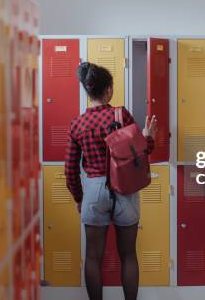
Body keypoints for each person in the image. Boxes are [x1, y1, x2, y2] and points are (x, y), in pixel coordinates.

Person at [65, 62, 157, 300]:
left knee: (93, 256)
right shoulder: (120, 114)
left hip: (94, 190)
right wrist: (149, 137)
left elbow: (70, 169)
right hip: (124, 188)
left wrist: (79, 197)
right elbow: (141, 152)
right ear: (107, 90)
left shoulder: (77, 124)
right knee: (128, 254)